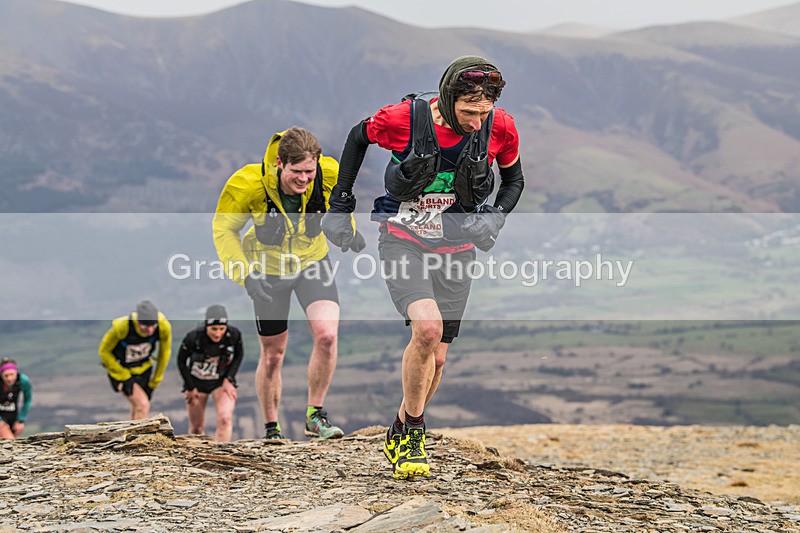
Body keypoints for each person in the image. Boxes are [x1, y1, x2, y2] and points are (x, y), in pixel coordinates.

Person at [322, 56, 524, 479]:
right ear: (449, 98)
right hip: (404, 238)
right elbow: (357, 138)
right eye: (468, 112)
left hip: (458, 246)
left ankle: (399, 426)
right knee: (427, 330)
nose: (475, 122)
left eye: (482, 113)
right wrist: (341, 202)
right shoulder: (403, 119)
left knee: (440, 357)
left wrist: (496, 216)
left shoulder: (500, 126)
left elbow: (514, 180)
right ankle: (414, 432)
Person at [212, 127, 363, 440]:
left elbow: (341, 204)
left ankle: (315, 415)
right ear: (280, 163)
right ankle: (271, 428)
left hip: (312, 261)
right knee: (274, 355)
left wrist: (345, 230)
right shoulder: (248, 184)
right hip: (267, 270)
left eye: (310, 171)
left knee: (327, 336)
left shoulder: (327, 173)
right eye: (297, 172)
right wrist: (245, 274)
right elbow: (225, 230)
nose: (304, 179)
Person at [177, 305, 244, 442]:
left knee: (225, 419)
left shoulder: (233, 335)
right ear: (206, 326)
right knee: (196, 428)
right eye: (214, 329)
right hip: (197, 383)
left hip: (220, 382)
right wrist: (190, 387)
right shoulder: (193, 338)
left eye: (221, 329)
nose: (218, 333)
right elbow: (181, 361)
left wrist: (229, 379)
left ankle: (223, 455)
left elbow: (239, 355)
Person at [98, 300, 172, 420]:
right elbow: (104, 351)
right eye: (145, 326)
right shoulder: (122, 327)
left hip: (144, 370)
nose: (150, 330)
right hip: (120, 371)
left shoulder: (163, 327)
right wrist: (124, 376)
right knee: (143, 405)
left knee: (137, 407)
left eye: (153, 326)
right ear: (137, 322)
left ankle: (131, 438)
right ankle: (141, 438)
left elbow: (164, 353)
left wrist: (155, 381)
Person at [0, 358, 32, 439]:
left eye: (12, 374)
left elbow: (27, 400)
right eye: (6, 376)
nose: (9, 379)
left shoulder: (23, 381)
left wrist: (21, 420)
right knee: (8, 439)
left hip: (12, 415)